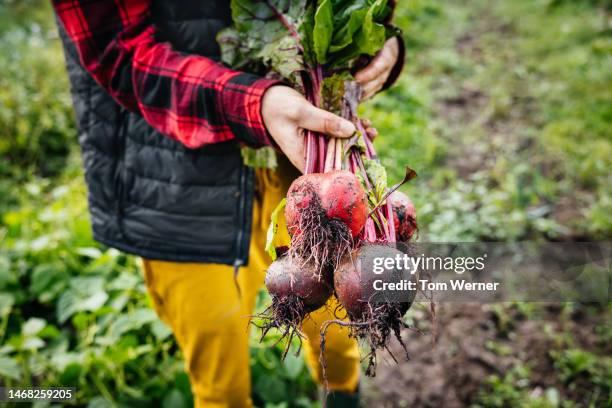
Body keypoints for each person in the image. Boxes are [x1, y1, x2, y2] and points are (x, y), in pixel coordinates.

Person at [52, 0, 404, 406]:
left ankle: (343, 394)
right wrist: (254, 104)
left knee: (336, 309)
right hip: (174, 167)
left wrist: (383, 42)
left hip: (298, 148)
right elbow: (118, 49)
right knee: (215, 342)